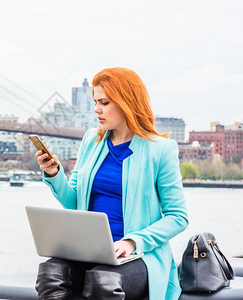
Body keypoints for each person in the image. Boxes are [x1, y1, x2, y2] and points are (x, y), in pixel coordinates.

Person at [35, 67, 188, 300]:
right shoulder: (91, 141)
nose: (96, 109)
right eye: (96, 101)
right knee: (51, 272)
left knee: (104, 279)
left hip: (138, 257)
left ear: (126, 102)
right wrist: (54, 174)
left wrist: (132, 241)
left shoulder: (161, 149)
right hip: (87, 251)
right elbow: (74, 202)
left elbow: (178, 217)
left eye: (104, 102)